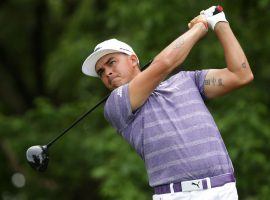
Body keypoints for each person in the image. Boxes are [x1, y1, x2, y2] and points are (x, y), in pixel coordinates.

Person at [82, 6, 253, 200]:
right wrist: (200, 27)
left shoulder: (189, 80)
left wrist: (219, 22)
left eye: (111, 62)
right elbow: (164, 64)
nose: (107, 73)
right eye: (101, 72)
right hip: (176, 195)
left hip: (224, 190)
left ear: (133, 60)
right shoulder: (116, 104)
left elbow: (241, 75)